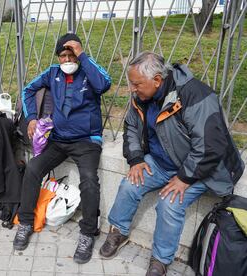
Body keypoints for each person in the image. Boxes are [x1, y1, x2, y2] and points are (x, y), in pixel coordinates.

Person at [99, 51, 245, 275]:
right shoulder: (143, 96)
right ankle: (118, 231)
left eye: (136, 84)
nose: (132, 89)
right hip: (160, 163)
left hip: (199, 169)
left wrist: (184, 178)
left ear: (157, 80)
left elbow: (210, 147)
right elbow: (130, 127)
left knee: (169, 204)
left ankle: (160, 259)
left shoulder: (196, 96)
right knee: (130, 184)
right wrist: (136, 159)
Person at [13, 33, 112, 264]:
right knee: (33, 169)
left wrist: (83, 56)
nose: (67, 60)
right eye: (63, 56)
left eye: (71, 55)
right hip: (58, 139)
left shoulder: (88, 70)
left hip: (87, 140)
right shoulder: (53, 73)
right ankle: (26, 221)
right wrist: (31, 119)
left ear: (78, 54)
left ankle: (88, 233)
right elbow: (27, 89)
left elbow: (104, 84)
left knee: (89, 180)